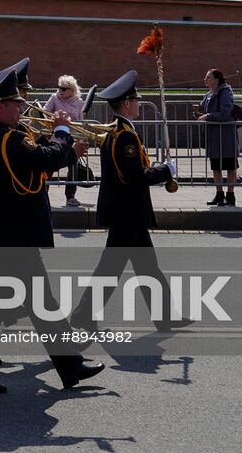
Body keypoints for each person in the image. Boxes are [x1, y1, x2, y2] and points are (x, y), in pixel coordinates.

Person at [0, 66, 103, 394]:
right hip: (17, 232)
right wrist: (64, 134)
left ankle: (69, 366)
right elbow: (45, 159)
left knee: (39, 302)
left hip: (4, 230)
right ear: (1, 107)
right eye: (16, 104)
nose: (22, 108)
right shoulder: (9, 139)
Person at [70, 70, 185, 333]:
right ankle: (83, 316)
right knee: (110, 269)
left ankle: (165, 317)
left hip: (127, 211)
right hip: (127, 212)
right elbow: (135, 177)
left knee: (147, 266)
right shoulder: (124, 136)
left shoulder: (118, 131)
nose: (138, 104)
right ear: (126, 104)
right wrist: (166, 170)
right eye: (135, 100)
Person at [195, 68, 239, 207]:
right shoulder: (208, 94)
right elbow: (203, 109)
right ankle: (219, 194)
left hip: (226, 135)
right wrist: (198, 112)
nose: (205, 79)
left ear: (217, 79)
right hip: (214, 135)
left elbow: (225, 113)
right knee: (216, 165)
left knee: (230, 164)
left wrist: (207, 116)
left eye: (208, 77)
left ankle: (230, 195)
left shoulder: (225, 92)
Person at [45, 75, 88, 207]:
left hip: (73, 136)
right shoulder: (54, 98)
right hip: (56, 136)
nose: (60, 91)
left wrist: (81, 137)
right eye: (59, 88)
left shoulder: (79, 101)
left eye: (64, 89)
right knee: (51, 163)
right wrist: (58, 119)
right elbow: (45, 111)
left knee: (73, 165)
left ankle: (71, 196)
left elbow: (80, 119)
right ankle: (43, 192)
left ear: (72, 90)